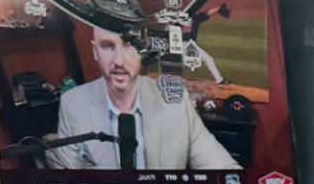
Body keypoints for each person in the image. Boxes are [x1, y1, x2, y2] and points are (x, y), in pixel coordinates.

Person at [42, 22, 239, 174]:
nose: (118, 61)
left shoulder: (176, 101)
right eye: (108, 46)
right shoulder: (73, 103)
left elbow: (223, 168)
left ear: (143, 51)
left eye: (129, 45)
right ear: (95, 51)